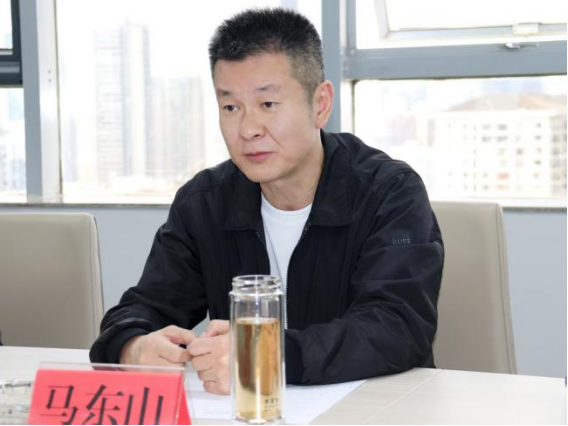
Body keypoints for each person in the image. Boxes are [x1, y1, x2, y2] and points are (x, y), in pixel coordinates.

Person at [90, 8, 444, 395]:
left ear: (320, 104)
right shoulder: (204, 202)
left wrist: (267, 355)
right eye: (231, 107)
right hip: (248, 413)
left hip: (372, 408)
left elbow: (397, 327)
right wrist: (132, 346)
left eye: (268, 104)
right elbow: (144, 307)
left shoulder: (389, 192)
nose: (248, 129)